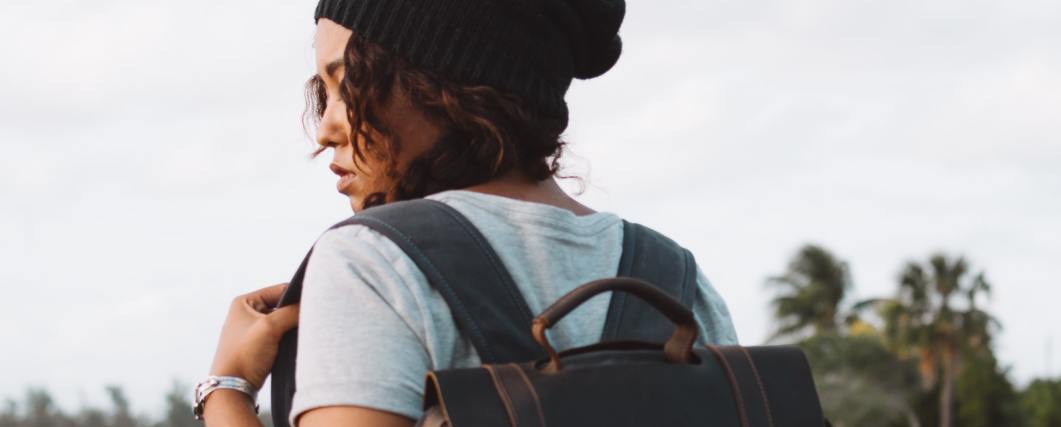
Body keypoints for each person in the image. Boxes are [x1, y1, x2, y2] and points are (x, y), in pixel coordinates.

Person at [199, 1, 738, 426]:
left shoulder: (371, 262)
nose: (327, 127)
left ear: (442, 84)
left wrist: (226, 392)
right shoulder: (676, 281)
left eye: (350, 85)